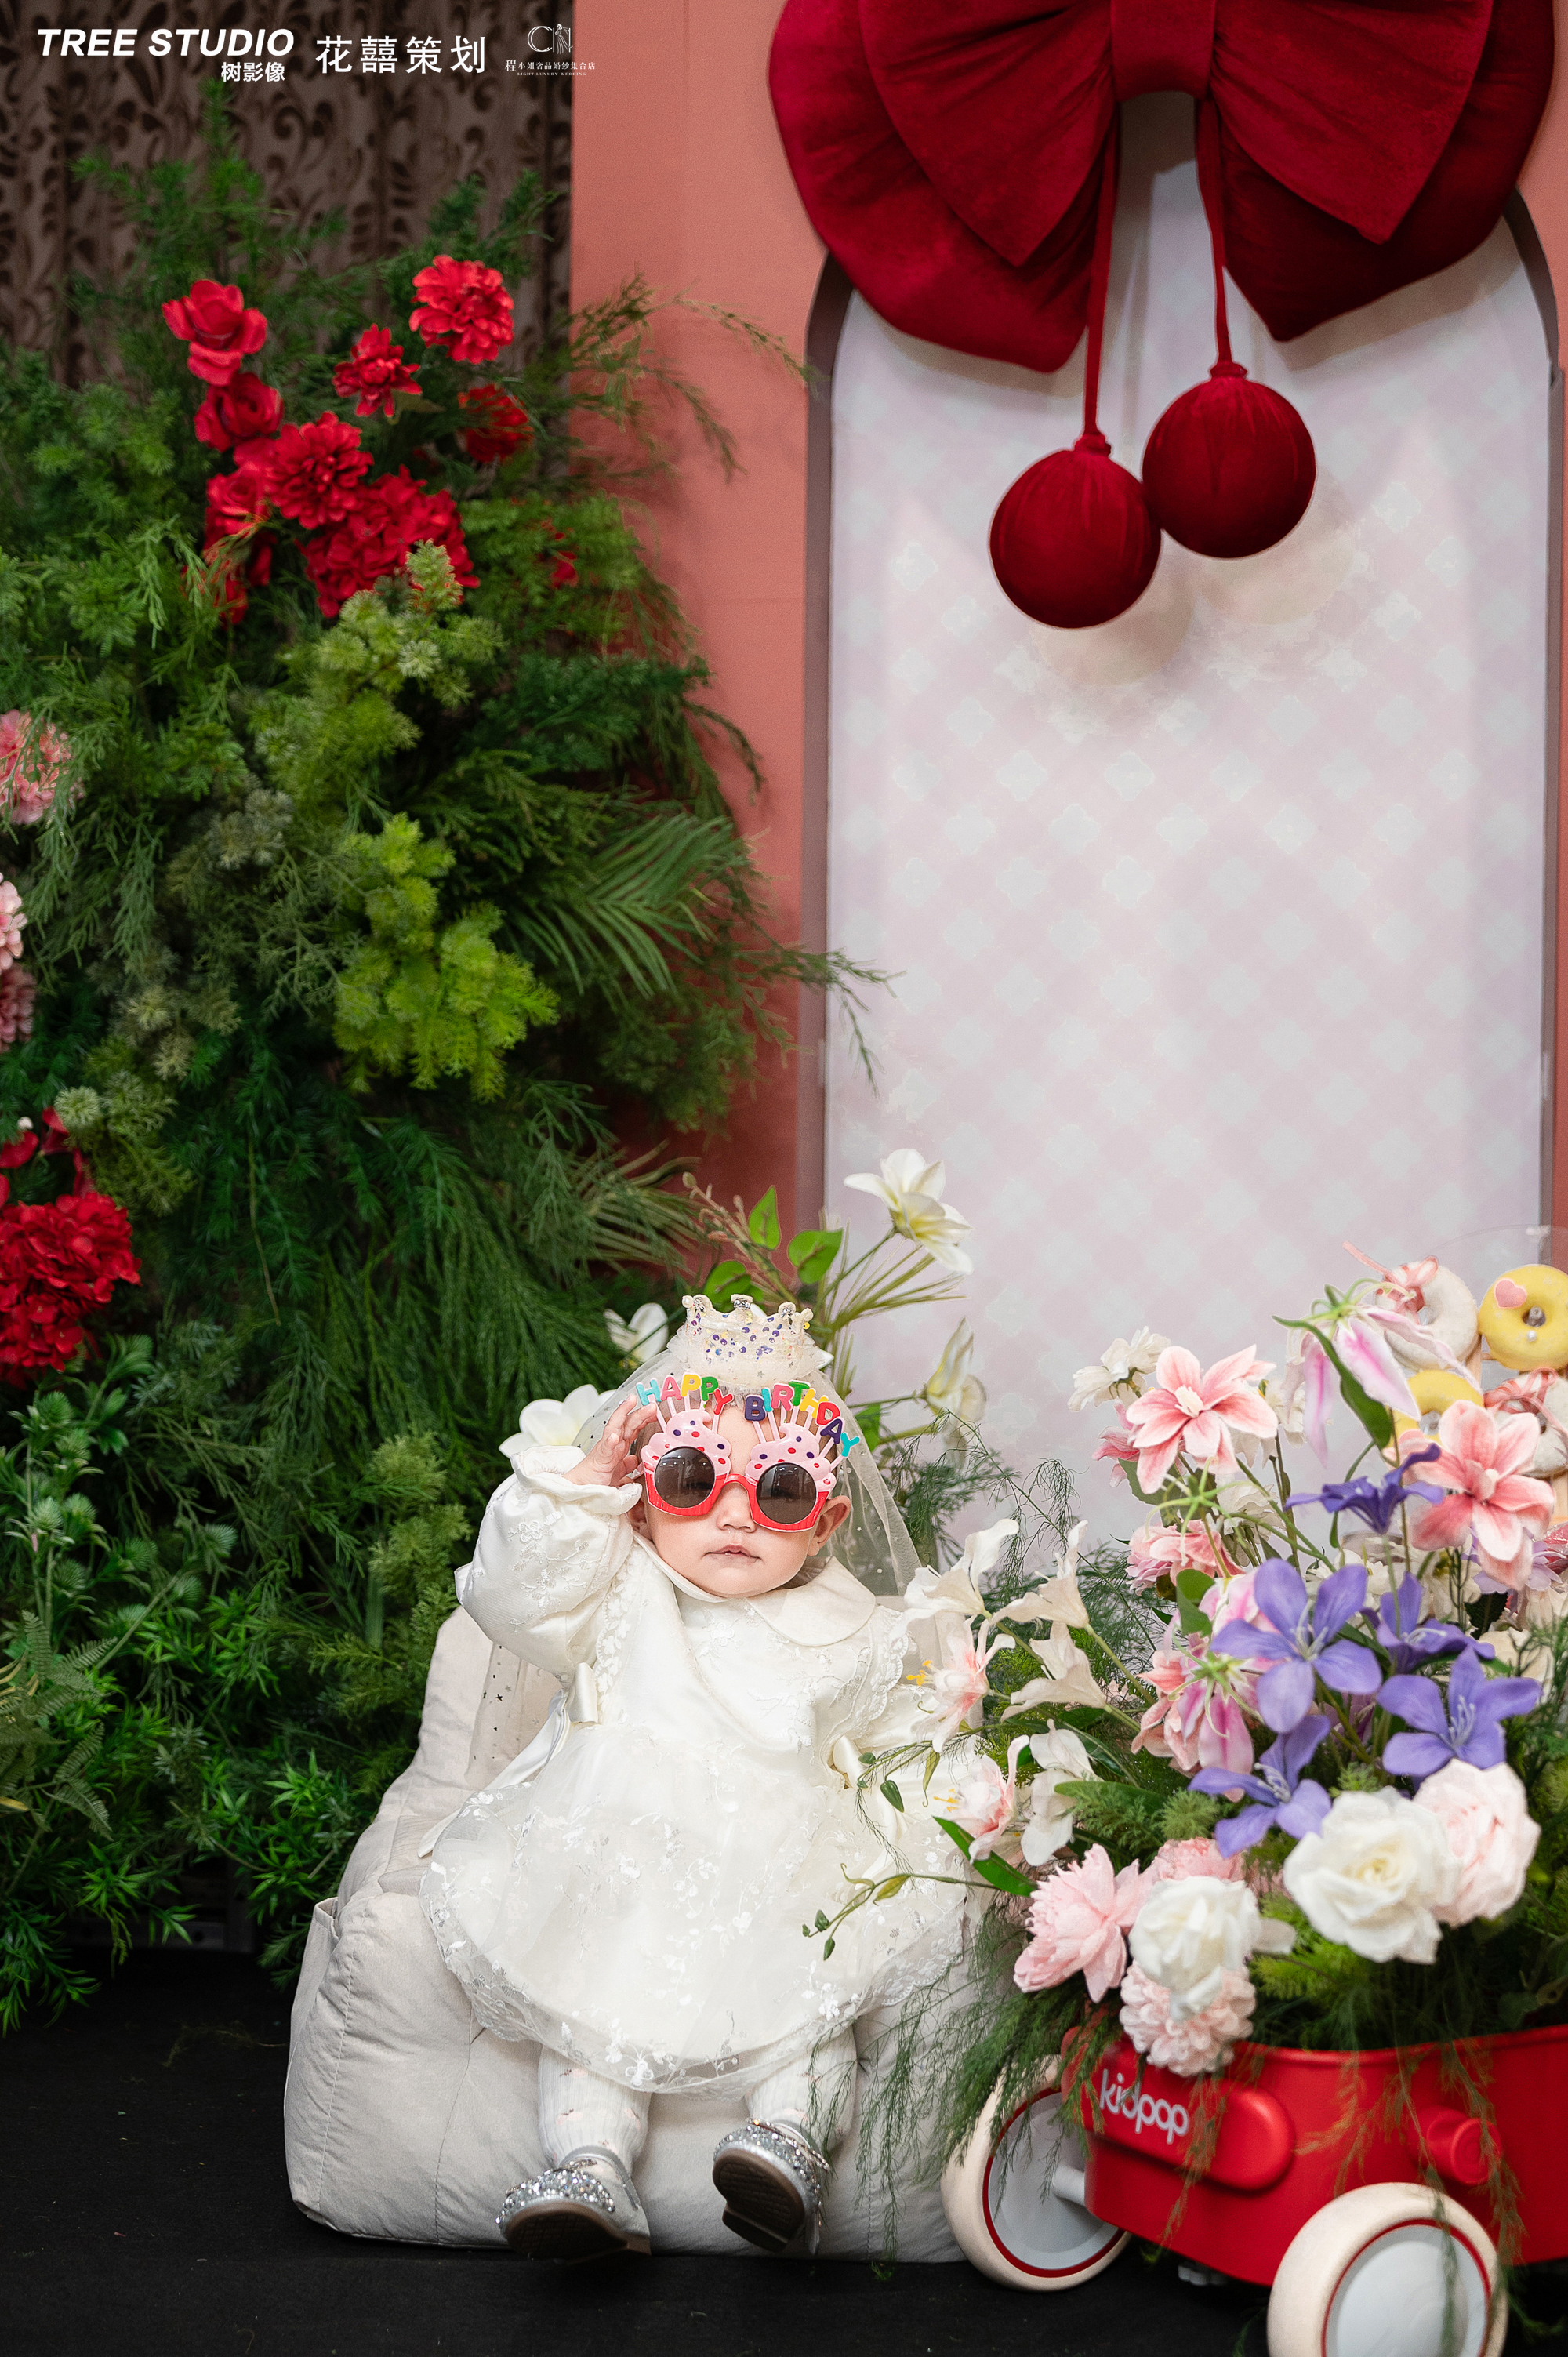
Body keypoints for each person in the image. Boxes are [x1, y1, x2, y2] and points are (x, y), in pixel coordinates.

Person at [419, 1295, 967, 2261]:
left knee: (813, 1998)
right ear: (643, 1502)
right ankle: (590, 2169)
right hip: (624, 1848)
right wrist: (581, 1493)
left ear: (825, 1522)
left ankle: (787, 2149)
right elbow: (511, 1593)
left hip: (782, 1862)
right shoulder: (614, 1587)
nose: (734, 1513)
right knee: (587, 2009)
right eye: (690, 1479)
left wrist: (948, 1791)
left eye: (780, 1492)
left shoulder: (855, 1629)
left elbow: (899, 1734)